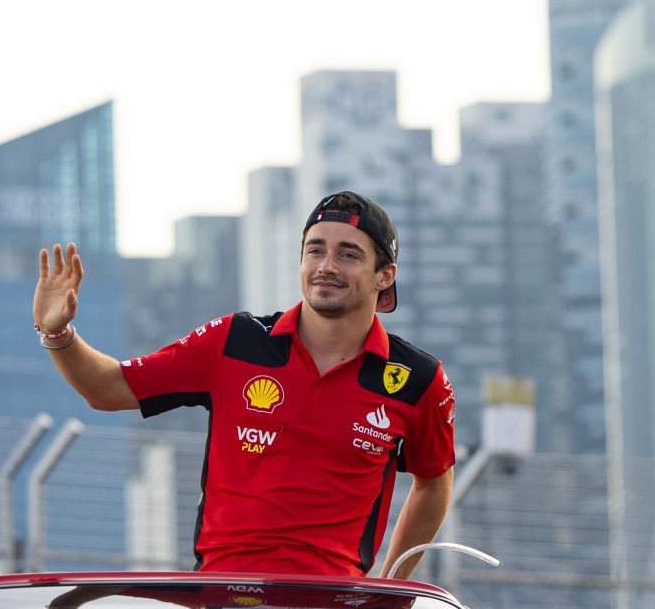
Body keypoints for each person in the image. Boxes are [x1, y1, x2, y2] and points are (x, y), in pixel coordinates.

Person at [33, 191, 456, 580]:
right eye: (315, 250)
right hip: (222, 601)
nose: (326, 266)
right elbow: (108, 388)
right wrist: (58, 334)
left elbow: (434, 481)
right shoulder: (235, 340)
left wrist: (388, 587)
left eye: (348, 255)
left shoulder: (418, 379)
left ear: (385, 275)